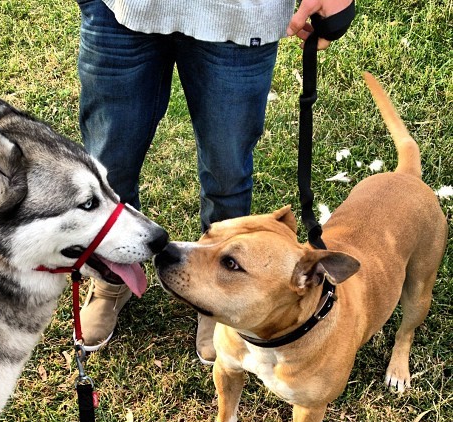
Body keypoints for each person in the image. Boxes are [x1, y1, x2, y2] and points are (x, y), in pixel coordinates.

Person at [76, 0, 354, 362]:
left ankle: (221, 291)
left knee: (227, 168)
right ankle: (113, 278)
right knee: (109, 165)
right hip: (121, 8)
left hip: (240, 14)